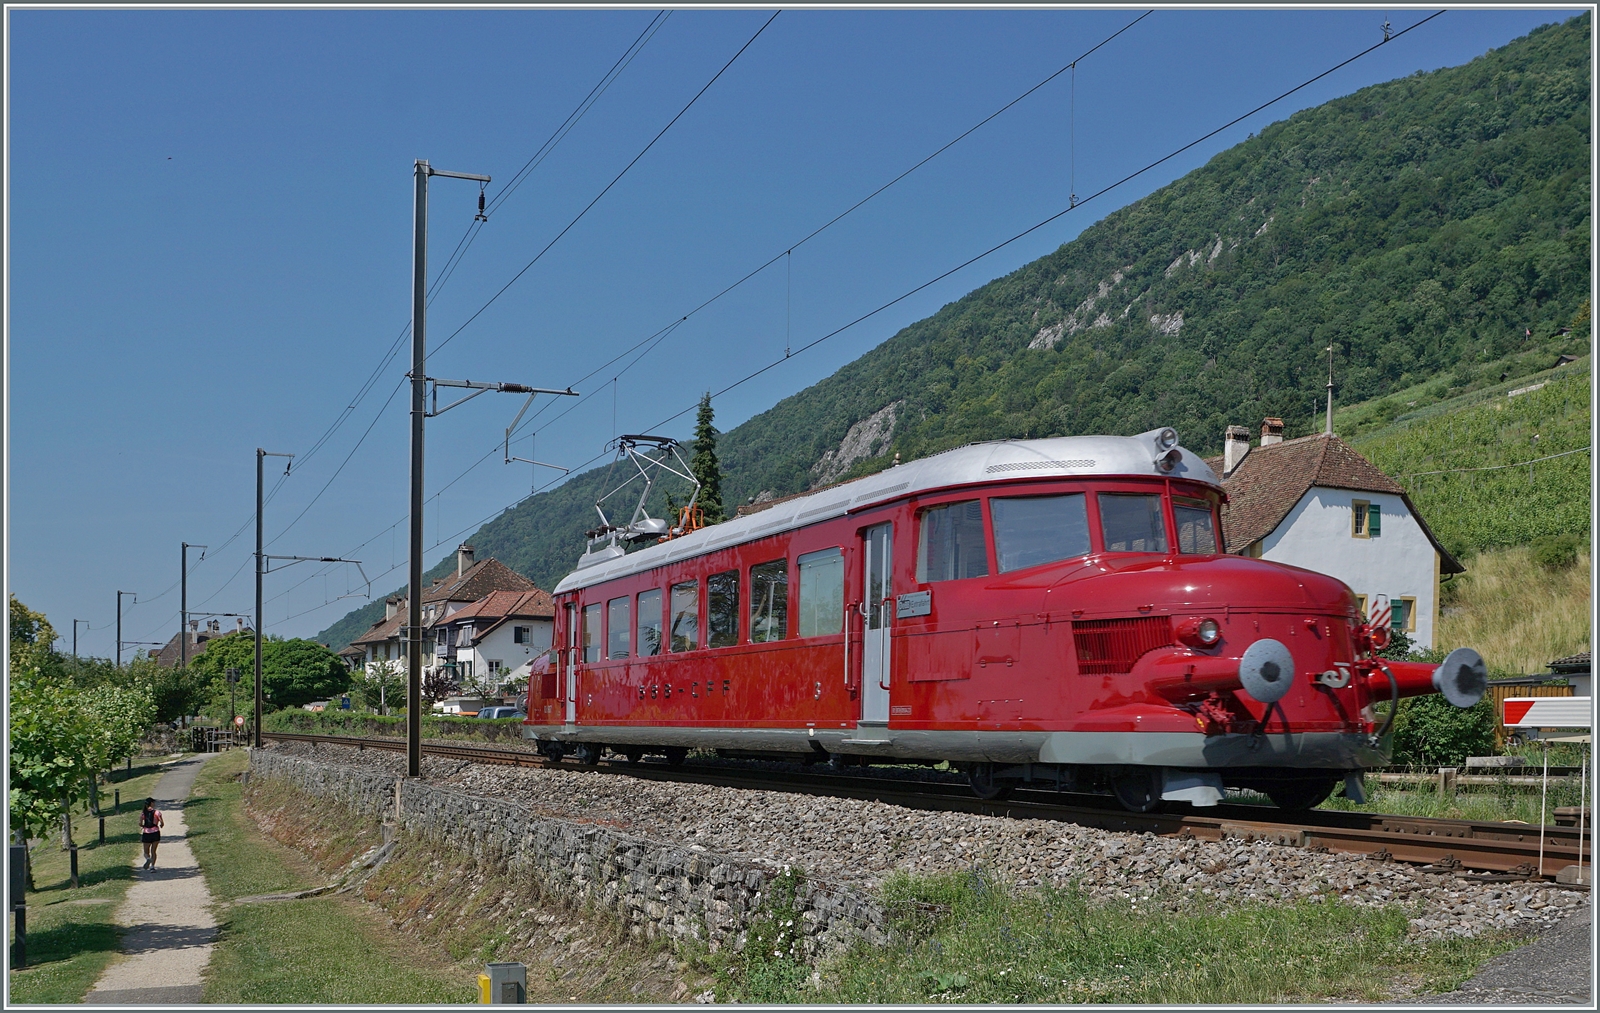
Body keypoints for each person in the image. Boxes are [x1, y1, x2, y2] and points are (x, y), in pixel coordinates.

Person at [139, 798, 164, 869]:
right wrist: (161, 825)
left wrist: (143, 826)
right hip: (155, 832)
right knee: (153, 851)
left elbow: (140, 823)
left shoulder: (143, 813)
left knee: (146, 852)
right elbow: (162, 823)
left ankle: (147, 859)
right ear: (152, 803)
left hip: (146, 833)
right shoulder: (157, 812)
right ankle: (152, 866)